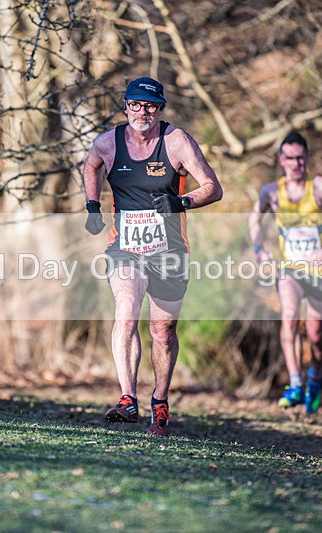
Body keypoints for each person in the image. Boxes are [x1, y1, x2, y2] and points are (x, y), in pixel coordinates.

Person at [83, 77, 223, 436]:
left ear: (160, 109)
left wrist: (182, 201)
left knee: (162, 331)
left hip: (169, 252)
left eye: (150, 106)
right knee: (126, 311)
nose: (141, 112)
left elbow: (213, 187)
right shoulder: (108, 142)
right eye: (135, 104)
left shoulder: (176, 142)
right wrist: (92, 205)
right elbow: (91, 165)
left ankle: (159, 401)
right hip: (125, 249)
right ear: (126, 105)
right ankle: (127, 397)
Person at [248, 131, 322, 414]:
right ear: (281, 160)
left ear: (307, 157)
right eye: (290, 158)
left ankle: (315, 376)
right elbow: (254, 220)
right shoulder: (271, 192)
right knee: (289, 316)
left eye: (300, 158)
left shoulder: (321, 188)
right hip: (289, 269)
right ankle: (295, 385)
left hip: (319, 270)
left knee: (316, 334)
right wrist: (260, 249)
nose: (296, 164)